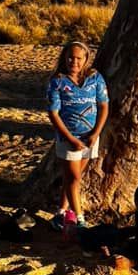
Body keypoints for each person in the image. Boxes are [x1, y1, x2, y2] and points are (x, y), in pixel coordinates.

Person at [46, 40, 109, 231]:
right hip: (68, 138)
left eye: (79, 58)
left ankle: (61, 213)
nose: (74, 61)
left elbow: (104, 106)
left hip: (90, 136)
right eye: (71, 57)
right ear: (64, 58)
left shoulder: (95, 78)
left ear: (86, 59)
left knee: (73, 177)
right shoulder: (57, 81)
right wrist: (71, 139)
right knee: (74, 179)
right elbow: (53, 113)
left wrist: (95, 134)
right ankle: (80, 220)